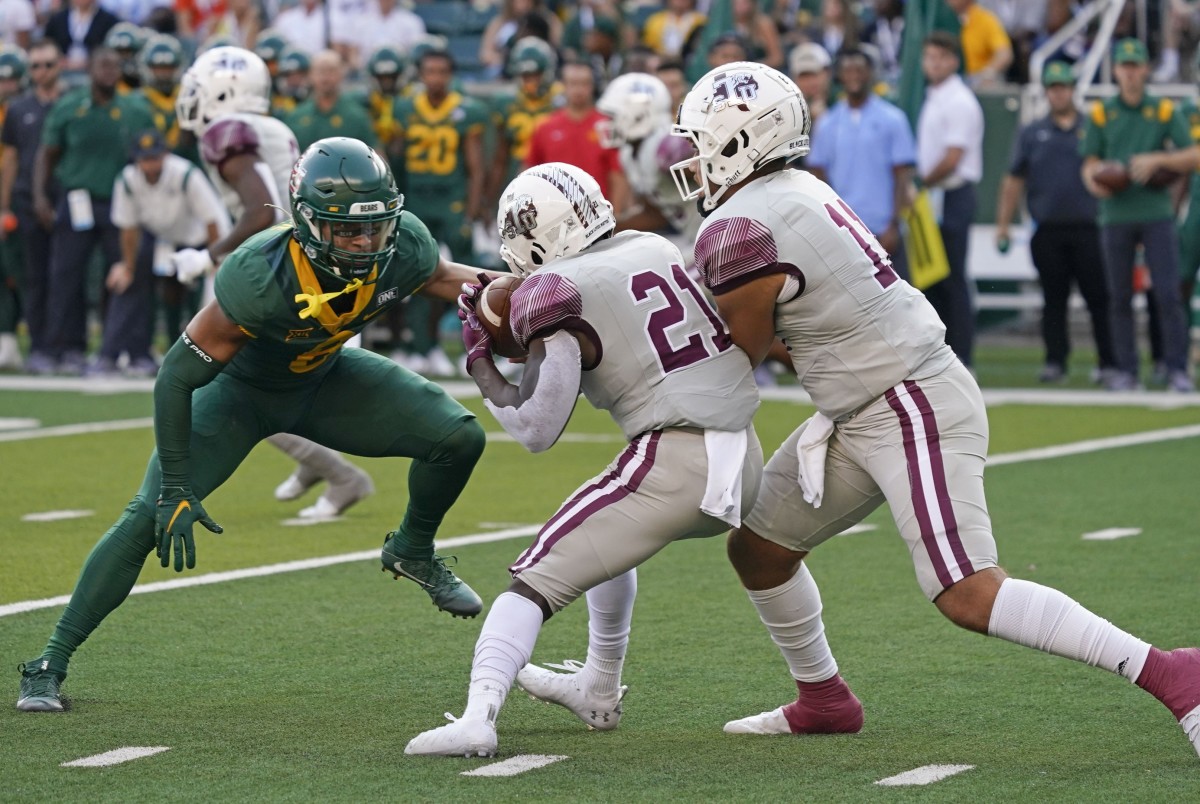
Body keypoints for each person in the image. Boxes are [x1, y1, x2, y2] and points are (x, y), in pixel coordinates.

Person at [667, 60, 1200, 758]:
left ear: (744, 140)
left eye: (704, 138)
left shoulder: (742, 226)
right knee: (761, 551)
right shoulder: (793, 189)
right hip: (863, 405)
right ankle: (824, 698)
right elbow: (800, 336)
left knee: (966, 591)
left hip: (904, 401)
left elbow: (738, 355)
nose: (694, 156)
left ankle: (1174, 673)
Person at [16, 137, 495, 713]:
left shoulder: (405, 243)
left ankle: (413, 550)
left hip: (324, 379)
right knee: (148, 518)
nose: (365, 242)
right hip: (240, 395)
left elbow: (446, 277)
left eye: (374, 227)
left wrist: (519, 290)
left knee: (459, 437)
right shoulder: (260, 275)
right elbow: (174, 377)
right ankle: (49, 660)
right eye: (346, 230)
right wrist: (174, 486)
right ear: (308, 223)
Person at [405, 161, 762, 757]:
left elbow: (535, 427)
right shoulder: (650, 245)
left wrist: (480, 362)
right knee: (606, 539)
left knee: (530, 581)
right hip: (742, 453)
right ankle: (598, 684)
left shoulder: (557, 293)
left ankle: (477, 715)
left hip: (675, 456)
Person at [173, 46, 375, 520]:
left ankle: (338, 474)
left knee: (233, 385)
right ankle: (315, 464)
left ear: (224, 92)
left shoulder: (226, 130)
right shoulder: (274, 127)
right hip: (298, 265)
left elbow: (262, 210)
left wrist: (208, 256)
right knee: (254, 384)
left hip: (274, 272)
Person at [1080, 38, 1199, 393]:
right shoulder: (1102, 112)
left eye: (1136, 66)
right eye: (1125, 66)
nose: (1131, 73)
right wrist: (1094, 182)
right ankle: (1127, 370)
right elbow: (1089, 163)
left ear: (1146, 69)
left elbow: (1193, 154)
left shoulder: (1163, 110)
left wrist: (1158, 160)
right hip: (1115, 212)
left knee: (1167, 293)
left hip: (1155, 210)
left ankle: (1176, 367)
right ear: (1116, 70)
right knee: (1118, 296)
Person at [35, 47, 156, 376]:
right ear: (90, 68)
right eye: (102, 65)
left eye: (114, 66)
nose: (108, 71)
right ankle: (62, 347)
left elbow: (150, 155)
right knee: (65, 275)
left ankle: (127, 349)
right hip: (76, 199)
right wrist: (41, 197)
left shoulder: (134, 109)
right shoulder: (69, 106)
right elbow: (47, 154)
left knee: (125, 273)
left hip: (120, 203)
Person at [995, 61, 1114, 384]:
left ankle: (1109, 362)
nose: (1058, 93)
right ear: (1047, 92)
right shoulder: (1033, 132)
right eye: (1053, 87)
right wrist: (1003, 225)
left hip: (1090, 226)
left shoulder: (1093, 127)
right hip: (1048, 228)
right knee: (1053, 300)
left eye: (1063, 87)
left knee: (1099, 298)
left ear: (1073, 90)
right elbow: (1013, 179)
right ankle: (1055, 361)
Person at [391, 46, 488, 376]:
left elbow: (476, 167)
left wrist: (472, 210)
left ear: (450, 75)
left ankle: (476, 346)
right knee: (418, 274)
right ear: (420, 74)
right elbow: (398, 162)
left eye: (441, 72)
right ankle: (423, 346)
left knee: (469, 279)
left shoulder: (465, 110)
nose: (435, 79)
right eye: (429, 72)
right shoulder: (405, 108)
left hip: (452, 200)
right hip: (417, 198)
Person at [103, 129, 229, 376]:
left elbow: (212, 219)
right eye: (145, 159)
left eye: (155, 158)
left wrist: (214, 259)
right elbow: (128, 229)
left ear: (165, 155)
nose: (150, 165)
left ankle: (205, 354)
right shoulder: (128, 180)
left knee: (202, 298)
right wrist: (127, 266)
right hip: (160, 240)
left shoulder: (185, 174)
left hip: (199, 241)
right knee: (139, 284)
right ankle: (125, 353)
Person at [807, 46, 914, 279]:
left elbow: (902, 176)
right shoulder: (828, 123)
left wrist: (894, 225)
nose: (854, 75)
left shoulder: (892, 119)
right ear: (840, 76)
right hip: (845, 232)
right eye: (848, 70)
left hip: (883, 227)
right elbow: (818, 174)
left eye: (860, 69)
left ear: (871, 74)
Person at [917, 31, 984, 368]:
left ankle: (963, 354)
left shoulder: (960, 100)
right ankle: (939, 351)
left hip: (952, 192)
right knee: (932, 277)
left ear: (954, 61)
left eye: (942, 57)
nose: (935, 63)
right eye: (930, 57)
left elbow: (953, 156)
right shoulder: (933, 96)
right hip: (935, 196)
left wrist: (921, 180)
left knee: (954, 277)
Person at [0, 38, 61, 376]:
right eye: (35, 66)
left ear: (59, 66)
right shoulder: (19, 109)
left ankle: (65, 345)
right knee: (34, 278)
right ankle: (39, 346)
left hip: (63, 198)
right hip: (25, 200)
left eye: (47, 65)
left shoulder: (70, 103)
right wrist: (4, 205)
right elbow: (9, 159)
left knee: (65, 279)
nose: (41, 72)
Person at [596, 72, 699, 251]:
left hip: (715, 232)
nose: (608, 123)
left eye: (613, 116)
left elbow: (699, 161)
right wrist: (605, 228)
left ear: (638, 113)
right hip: (691, 236)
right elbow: (654, 214)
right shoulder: (629, 154)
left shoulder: (665, 146)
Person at [526, 60, 628, 214]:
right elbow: (530, 174)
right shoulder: (545, 127)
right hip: (554, 215)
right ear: (563, 86)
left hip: (598, 214)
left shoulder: (608, 126)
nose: (579, 90)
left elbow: (618, 176)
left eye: (584, 83)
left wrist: (616, 218)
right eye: (573, 83)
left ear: (592, 86)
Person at [490, 37, 563, 201]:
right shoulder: (507, 102)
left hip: (554, 178)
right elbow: (500, 157)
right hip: (517, 177)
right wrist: (489, 198)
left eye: (535, 75)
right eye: (525, 75)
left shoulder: (561, 99)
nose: (530, 82)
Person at [286, 50, 378, 152]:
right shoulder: (296, 117)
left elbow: (376, 155)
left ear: (341, 74)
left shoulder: (357, 116)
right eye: (320, 71)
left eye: (331, 71)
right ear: (310, 75)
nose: (325, 77)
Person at [0, 45, 24, 371]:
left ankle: (10, 337)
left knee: (14, 275)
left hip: (14, 201)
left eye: (10, 79)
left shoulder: (20, 112)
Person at [945, 0, 1012, 87]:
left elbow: (1004, 54)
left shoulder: (985, 19)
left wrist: (988, 73)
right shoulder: (942, 20)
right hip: (948, 78)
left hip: (976, 80)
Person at [44, 0, 118, 72]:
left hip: (96, 72)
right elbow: (48, 43)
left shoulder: (109, 21)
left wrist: (93, 61)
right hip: (62, 71)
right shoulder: (57, 19)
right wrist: (59, 59)